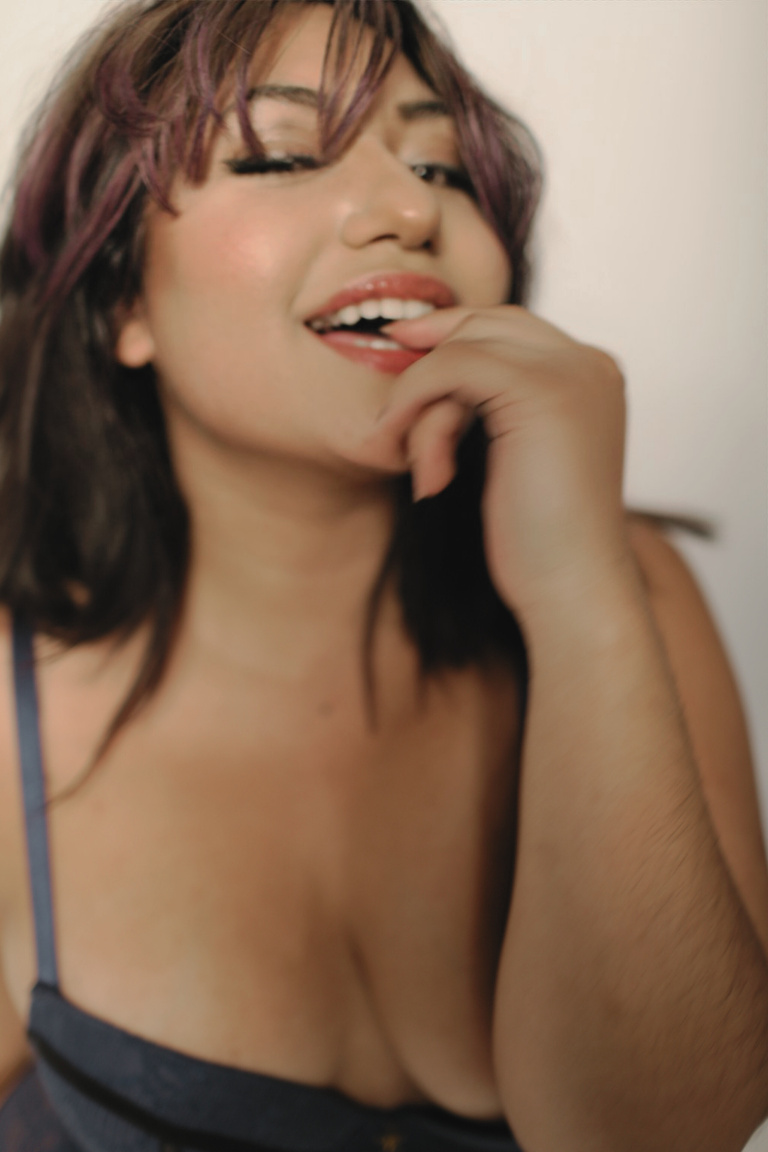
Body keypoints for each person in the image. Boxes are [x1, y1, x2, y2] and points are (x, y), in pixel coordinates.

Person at [0, 0, 766, 1149]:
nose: (411, 209)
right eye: (282, 157)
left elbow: (660, 1134)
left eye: (439, 168)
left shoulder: (633, 591)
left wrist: (580, 590)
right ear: (123, 301)